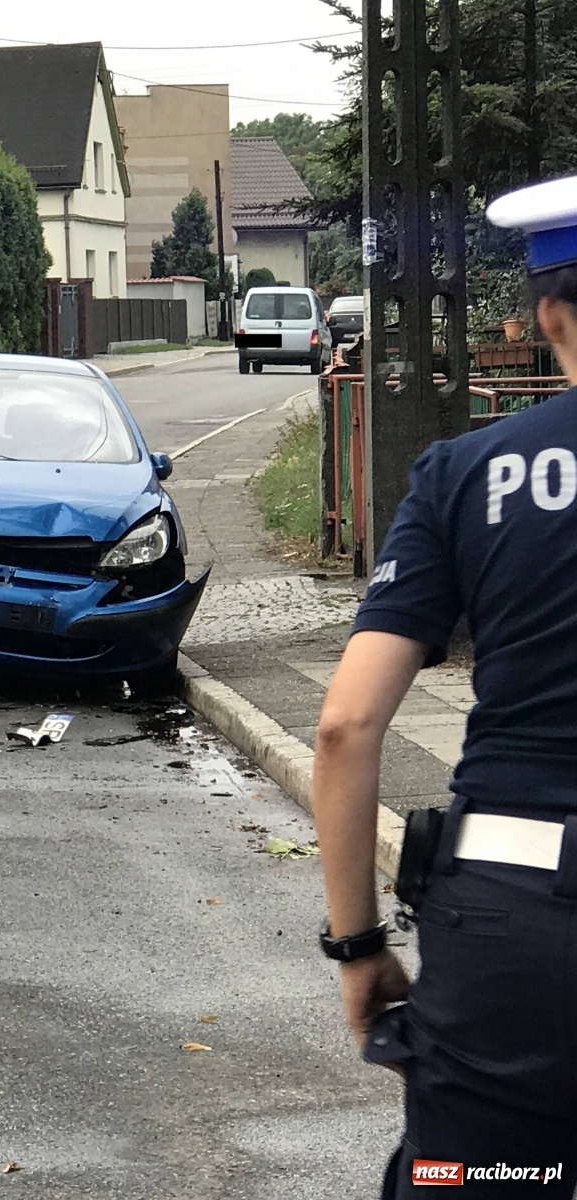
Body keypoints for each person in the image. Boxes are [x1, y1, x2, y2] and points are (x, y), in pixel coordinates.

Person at [314, 174, 577, 1198]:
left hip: (516, 917)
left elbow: (345, 726)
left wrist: (357, 945)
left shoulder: (464, 474)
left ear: (547, 317)